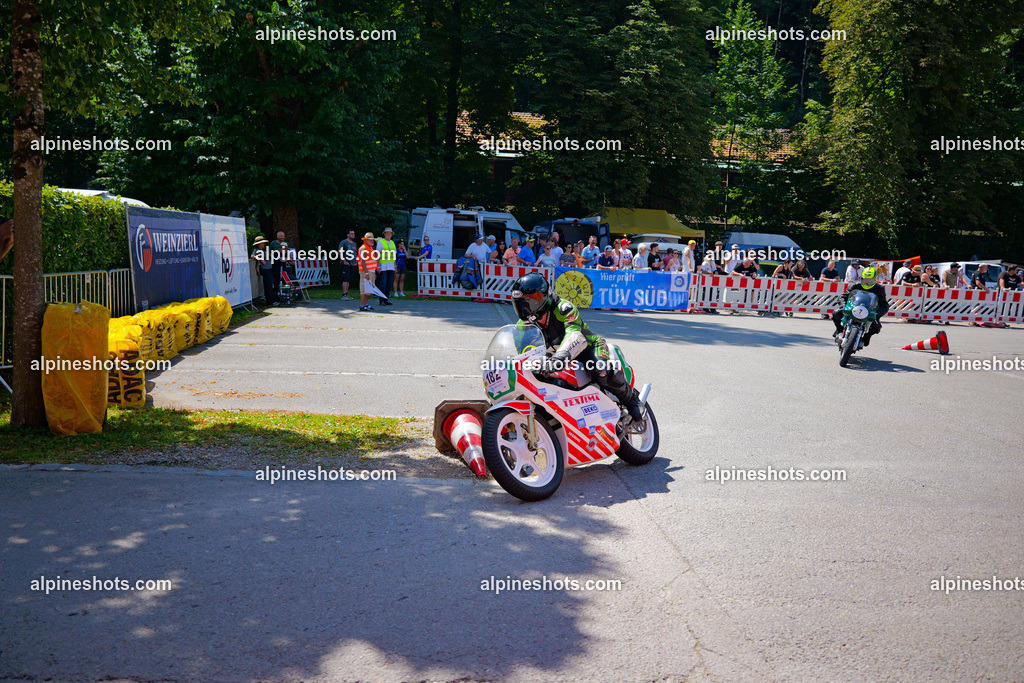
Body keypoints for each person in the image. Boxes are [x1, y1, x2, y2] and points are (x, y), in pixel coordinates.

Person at [511, 273, 645, 421]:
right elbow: (524, 355)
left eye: (529, 302)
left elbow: (574, 336)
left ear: (542, 298)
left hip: (587, 348)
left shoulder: (563, 308)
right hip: (555, 358)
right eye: (521, 304)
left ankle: (632, 400)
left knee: (601, 370)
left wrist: (557, 359)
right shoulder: (522, 327)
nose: (525, 308)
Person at [832, 266, 890, 346]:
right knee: (836, 313)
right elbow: (843, 296)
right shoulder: (856, 285)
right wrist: (844, 306)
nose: (867, 281)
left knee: (876, 326)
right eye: (865, 279)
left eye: (870, 279)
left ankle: (866, 337)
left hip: (869, 310)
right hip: (854, 308)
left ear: (875, 279)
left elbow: (884, 305)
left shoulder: (879, 289)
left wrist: (877, 315)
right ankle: (839, 330)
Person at [250, 235, 277, 306]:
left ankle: (272, 300)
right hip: (265, 269)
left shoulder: (262, 250)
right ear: (259, 244)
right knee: (268, 285)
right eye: (262, 243)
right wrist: (260, 259)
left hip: (268, 268)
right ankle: (270, 301)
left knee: (270, 284)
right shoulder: (257, 250)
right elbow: (252, 256)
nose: (264, 244)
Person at [358, 232, 380, 311]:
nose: (372, 241)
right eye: (370, 240)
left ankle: (365, 304)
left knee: (369, 289)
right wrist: (366, 273)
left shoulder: (370, 248)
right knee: (364, 288)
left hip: (371, 271)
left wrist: (373, 273)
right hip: (366, 271)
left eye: (373, 240)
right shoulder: (364, 248)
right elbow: (363, 261)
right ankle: (362, 305)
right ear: (365, 240)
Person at [375, 227, 397, 305]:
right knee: (383, 284)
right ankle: (381, 300)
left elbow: (394, 255)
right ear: (384, 234)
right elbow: (377, 254)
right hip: (383, 265)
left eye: (390, 233)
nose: (388, 234)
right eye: (387, 233)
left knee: (389, 284)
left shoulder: (392, 242)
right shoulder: (381, 242)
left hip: (391, 265)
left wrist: (395, 266)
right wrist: (378, 266)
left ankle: (386, 299)